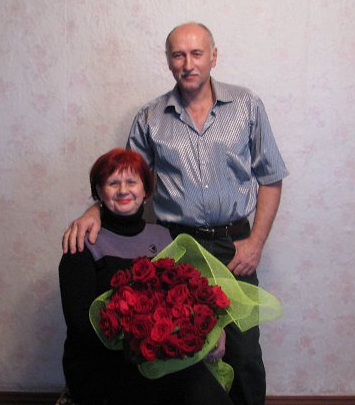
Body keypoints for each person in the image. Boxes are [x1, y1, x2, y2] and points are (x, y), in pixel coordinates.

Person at [63, 22, 288, 405]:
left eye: (197, 53)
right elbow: (127, 180)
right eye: (178, 55)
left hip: (234, 247)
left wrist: (256, 243)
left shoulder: (247, 106)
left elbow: (271, 177)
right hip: (175, 250)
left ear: (213, 56)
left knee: (243, 352)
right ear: (168, 61)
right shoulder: (150, 117)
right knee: (179, 353)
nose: (188, 63)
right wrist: (94, 210)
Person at [59, 148, 232, 405]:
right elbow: (81, 327)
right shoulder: (81, 243)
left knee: (206, 391)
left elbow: (191, 299)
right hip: (104, 363)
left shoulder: (164, 237)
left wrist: (213, 329)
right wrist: (144, 344)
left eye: (131, 182)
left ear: (145, 190)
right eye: (113, 183)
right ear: (99, 192)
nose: (123, 190)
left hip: (162, 358)